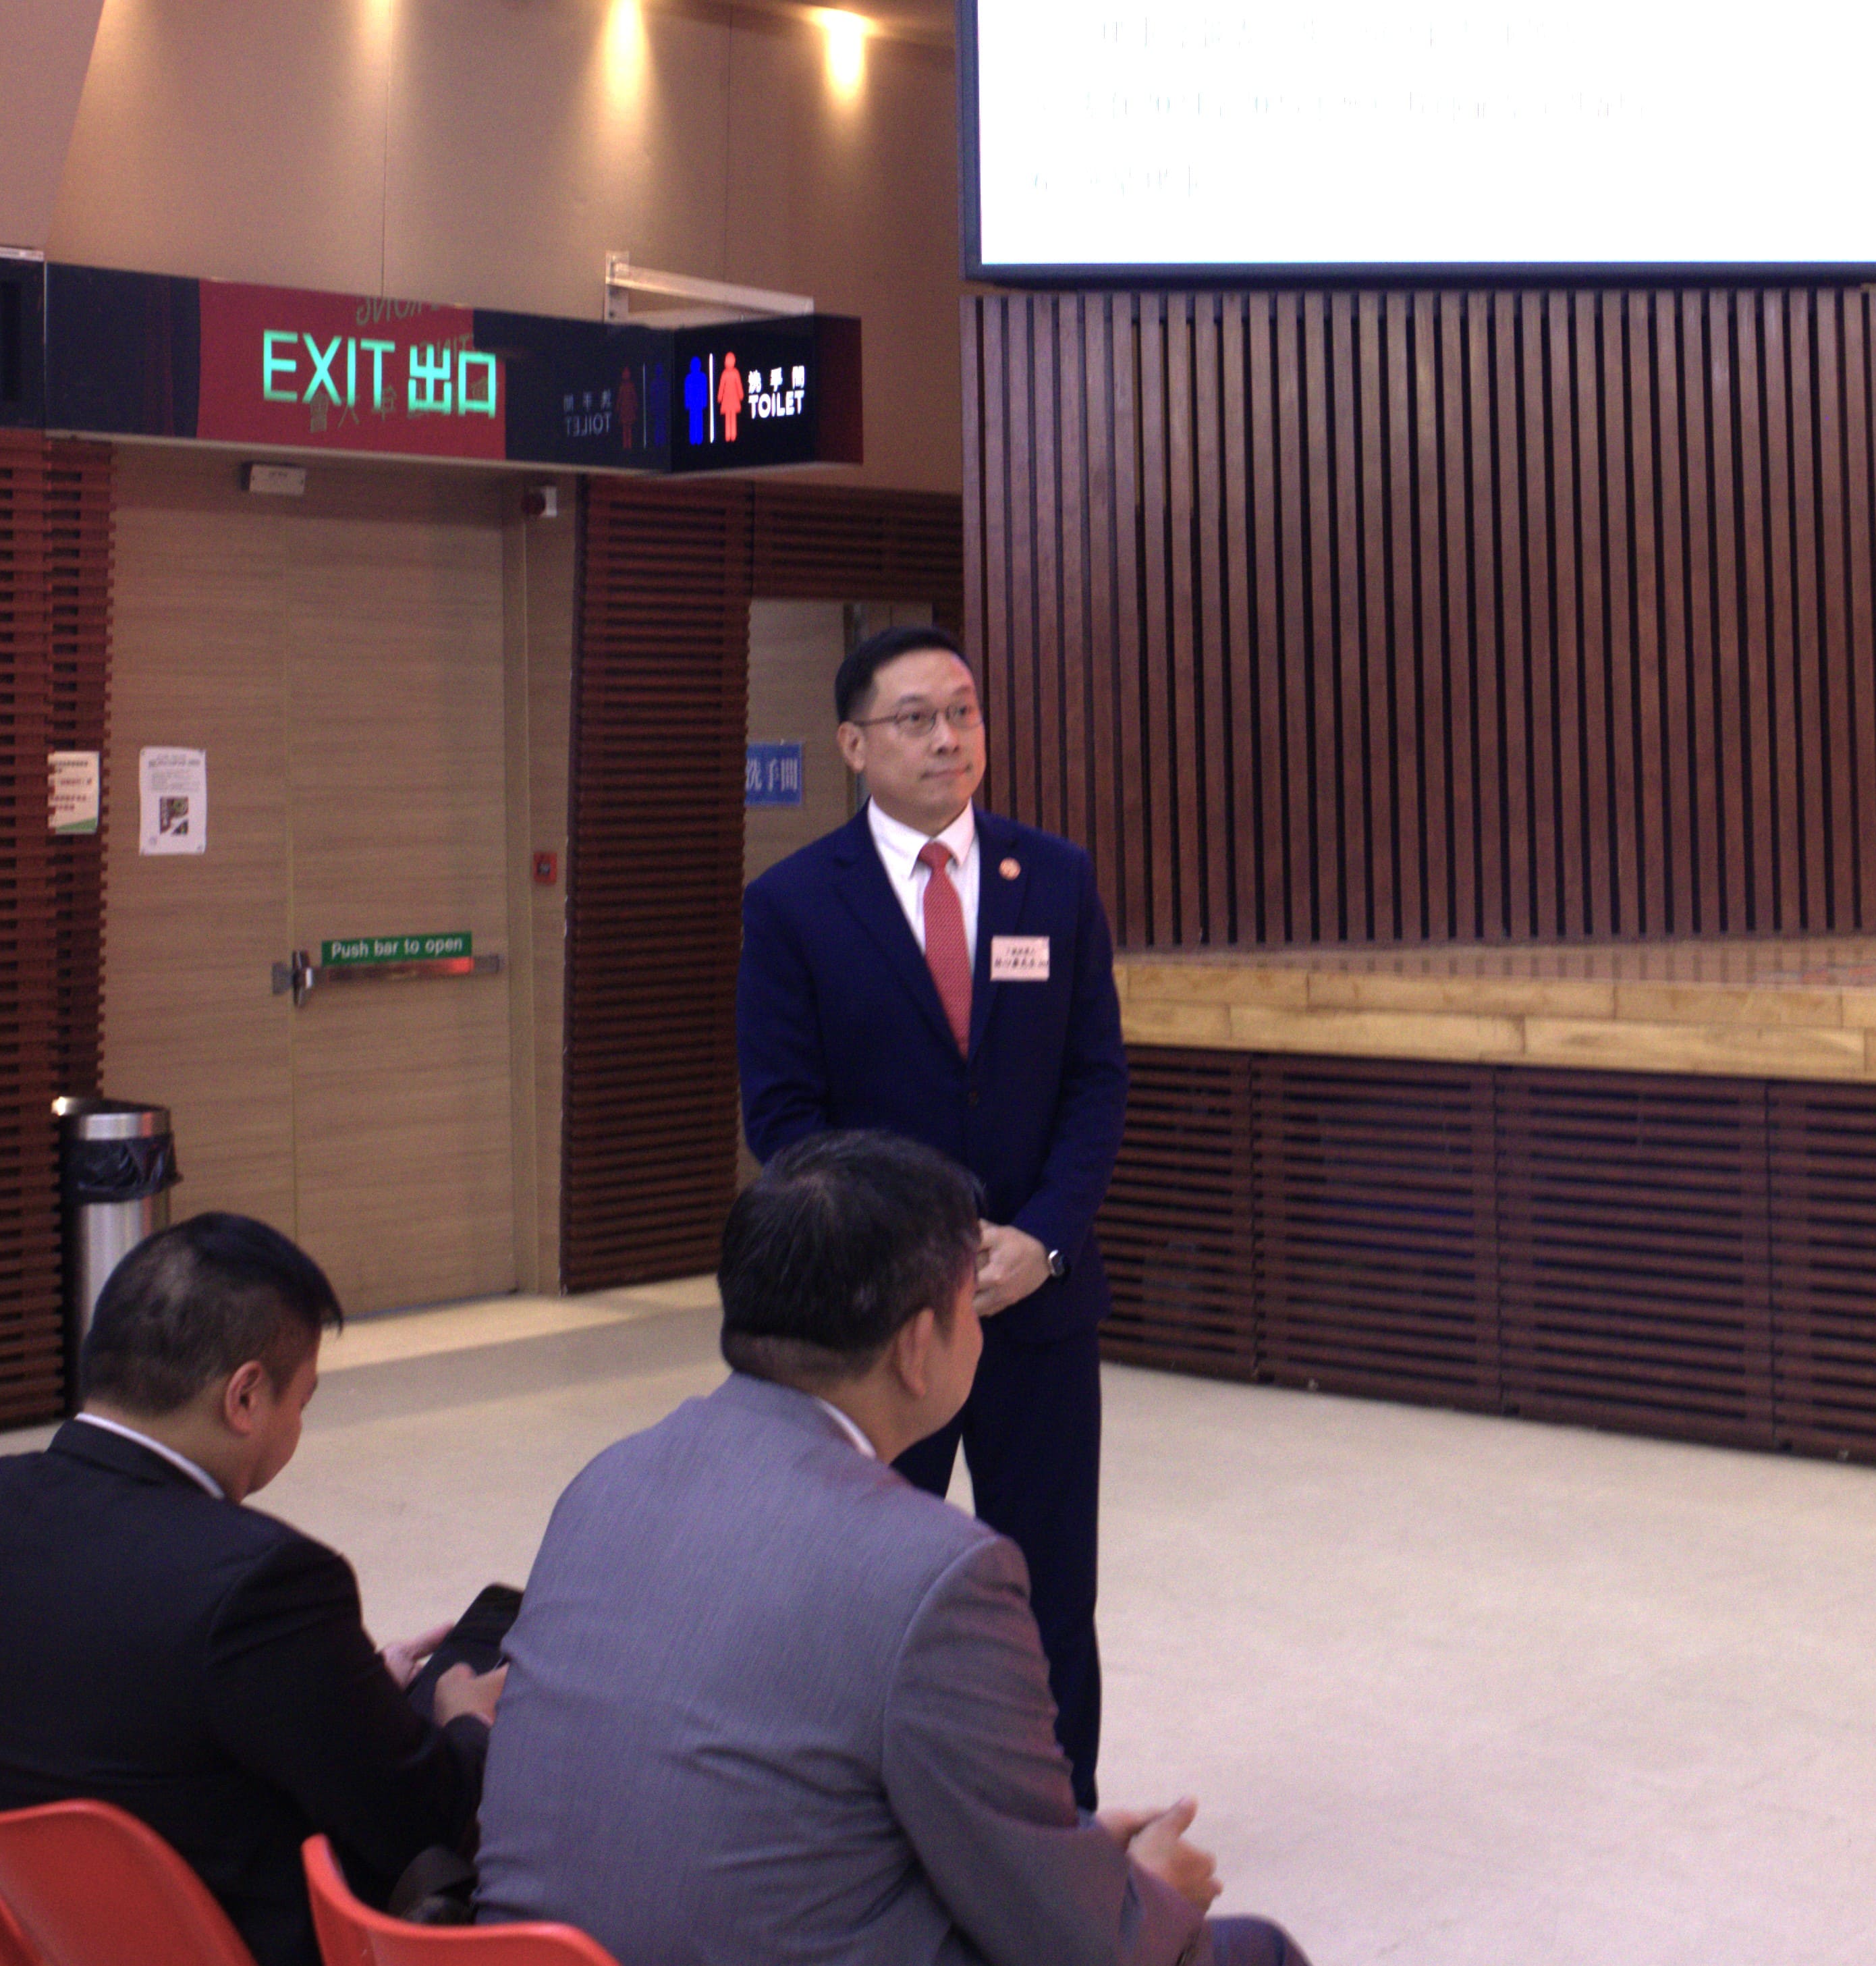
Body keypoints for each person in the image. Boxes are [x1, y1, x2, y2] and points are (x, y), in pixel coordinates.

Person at [476, 1130, 1306, 1966]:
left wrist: (1076, 1854)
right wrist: (1147, 1888)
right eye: (970, 1302)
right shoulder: (938, 1573)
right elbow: (1082, 1945)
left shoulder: (605, 1482)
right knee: (1248, 1952)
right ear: (916, 1347)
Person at [737, 623, 1129, 1807]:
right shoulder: (793, 904)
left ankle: (1054, 1820)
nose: (948, 737)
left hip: (1035, 1303)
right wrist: (914, 1253)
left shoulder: (1051, 877)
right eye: (915, 718)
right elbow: (785, 1117)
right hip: (881, 1324)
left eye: (963, 711)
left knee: (1046, 1586)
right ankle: (877, 1814)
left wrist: (1044, 1236)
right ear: (854, 744)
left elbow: (1094, 1080)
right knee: (873, 1588)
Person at [0, 1213, 503, 1966]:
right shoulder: (261, 1580)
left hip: (43, 1936)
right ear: (245, 1397)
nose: (298, 1425)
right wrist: (464, 1718)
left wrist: (347, 1696)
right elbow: (426, 1820)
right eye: (302, 1402)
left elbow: (133, 1705)